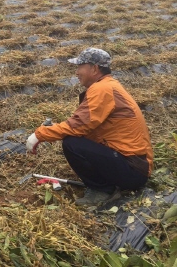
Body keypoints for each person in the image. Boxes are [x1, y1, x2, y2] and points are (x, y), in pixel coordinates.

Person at [26, 48, 153, 206]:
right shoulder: (108, 85)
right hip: (134, 166)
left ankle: (103, 191)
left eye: (80, 67)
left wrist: (40, 134)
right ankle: (107, 183)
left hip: (133, 170)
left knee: (72, 144)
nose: (77, 72)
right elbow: (87, 126)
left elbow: (79, 125)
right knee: (76, 140)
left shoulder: (102, 89)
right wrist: (55, 129)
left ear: (94, 68)